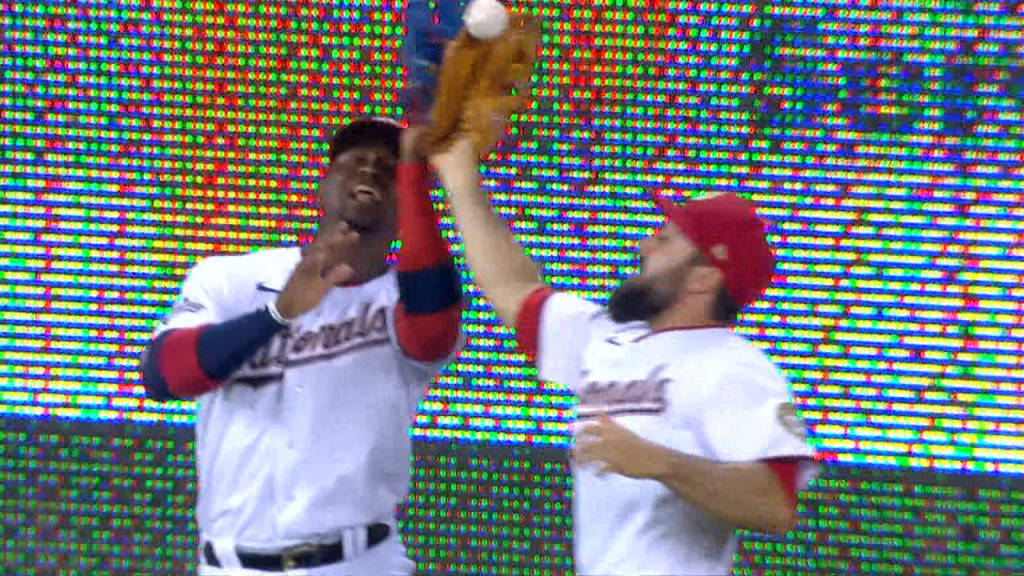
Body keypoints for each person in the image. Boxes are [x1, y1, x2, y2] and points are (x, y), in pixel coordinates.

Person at [431, 137, 817, 575]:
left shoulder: (732, 366)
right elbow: (512, 289)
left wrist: (662, 463)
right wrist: (459, 176)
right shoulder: (608, 338)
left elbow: (774, 503)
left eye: (666, 239)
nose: (644, 247)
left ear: (705, 278)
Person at [140, 118, 464, 576]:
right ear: (322, 187)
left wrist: (414, 166)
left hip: (357, 563)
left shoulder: (404, 300)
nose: (371, 169)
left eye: (387, 169)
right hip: (229, 565)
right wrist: (277, 314)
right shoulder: (231, 279)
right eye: (354, 161)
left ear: (405, 201)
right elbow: (164, 375)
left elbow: (432, 333)